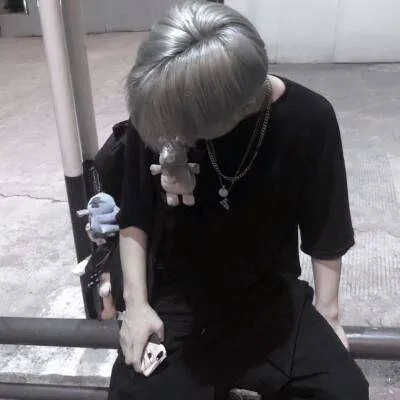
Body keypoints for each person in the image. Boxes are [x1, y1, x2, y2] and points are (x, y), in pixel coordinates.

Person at [104, 1, 369, 399]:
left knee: (343, 391)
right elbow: (134, 215)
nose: (174, 131)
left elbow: (325, 226)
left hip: (270, 291)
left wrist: (329, 314)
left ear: (241, 108)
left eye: (187, 128)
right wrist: (136, 305)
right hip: (182, 294)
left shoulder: (308, 117)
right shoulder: (163, 107)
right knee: (135, 393)